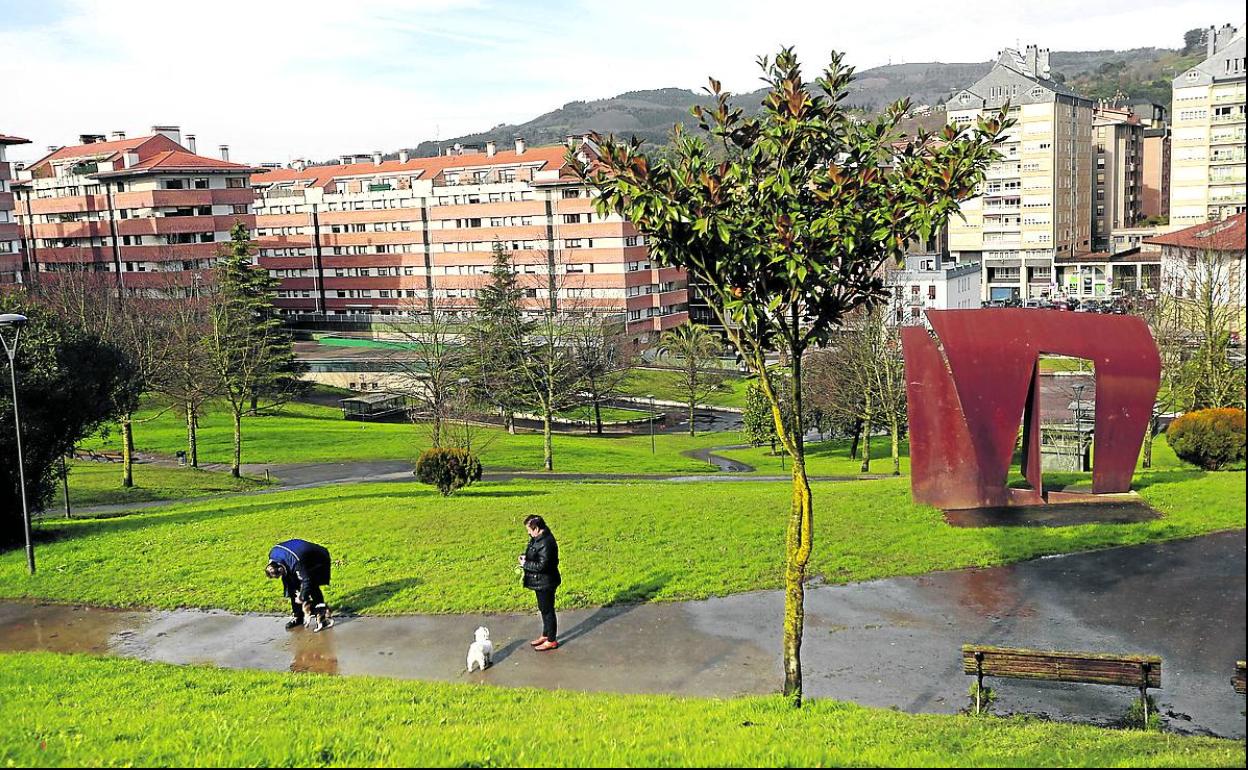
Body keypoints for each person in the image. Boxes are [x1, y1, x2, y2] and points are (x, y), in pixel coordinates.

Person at [266, 538, 332, 630]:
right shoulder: (273, 555)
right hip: (297, 557)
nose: (280, 577)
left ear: (281, 568)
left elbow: (307, 580)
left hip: (317, 560)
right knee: (291, 586)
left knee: (312, 586)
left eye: (280, 575)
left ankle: (321, 613)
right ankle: (298, 616)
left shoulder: (296, 561)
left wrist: (302, 597)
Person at [519, 515, 560, 651]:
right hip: (540, 581)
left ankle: (552, 640)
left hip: (546, 582)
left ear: (536, 528)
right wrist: (527, 558)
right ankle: (546, 634)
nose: (528, 533)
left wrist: (525, 564)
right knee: (543, 609)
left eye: (529, 530)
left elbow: (542, 566)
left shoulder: (546, 542)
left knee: (548, 610)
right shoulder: (537, 539)